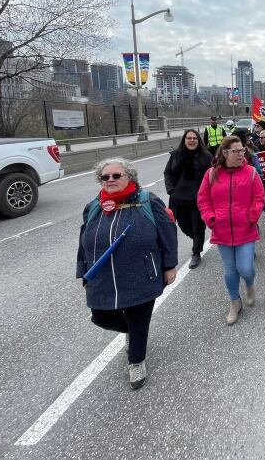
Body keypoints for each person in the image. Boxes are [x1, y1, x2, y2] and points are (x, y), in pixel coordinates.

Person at [76, 158, 178, 389]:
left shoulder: (148, 202)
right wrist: (84, 270)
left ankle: (136, 361)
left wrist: (170, 265)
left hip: (141, 273)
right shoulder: (94, 207)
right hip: (102, 276)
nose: (110, 180)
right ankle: (132, 331)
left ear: (129, 177)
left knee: (138, 318)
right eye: (105, 177)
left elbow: (167, 233)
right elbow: (83, 240)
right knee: (100, 316)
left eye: (116, 176)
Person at [197, 136, 265, 325]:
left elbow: (259, 197)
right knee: (229, 270)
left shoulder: (251, 172)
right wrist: (211, 218)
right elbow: (203, 199)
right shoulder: (212, 174)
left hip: (245, 229)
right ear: (225, 153)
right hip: (222, 230)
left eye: (242, 151)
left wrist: (251, 217)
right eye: (236, 151)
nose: (241, 155)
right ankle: (235, 303)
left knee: (246, 267)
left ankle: (250, 284)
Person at [164, 129, 213, 269]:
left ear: (198, 140)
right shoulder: (176, 155)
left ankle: (196, 252)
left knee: (197, 227)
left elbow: (211, 176)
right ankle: (197, 238)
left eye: (194, 138)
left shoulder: (206, 156)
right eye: (189, 138)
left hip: (197, 200)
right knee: (185, 226)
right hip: (178, 200)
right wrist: (171, 190)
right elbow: (168, 173)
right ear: (184, 140)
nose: (191, 140)